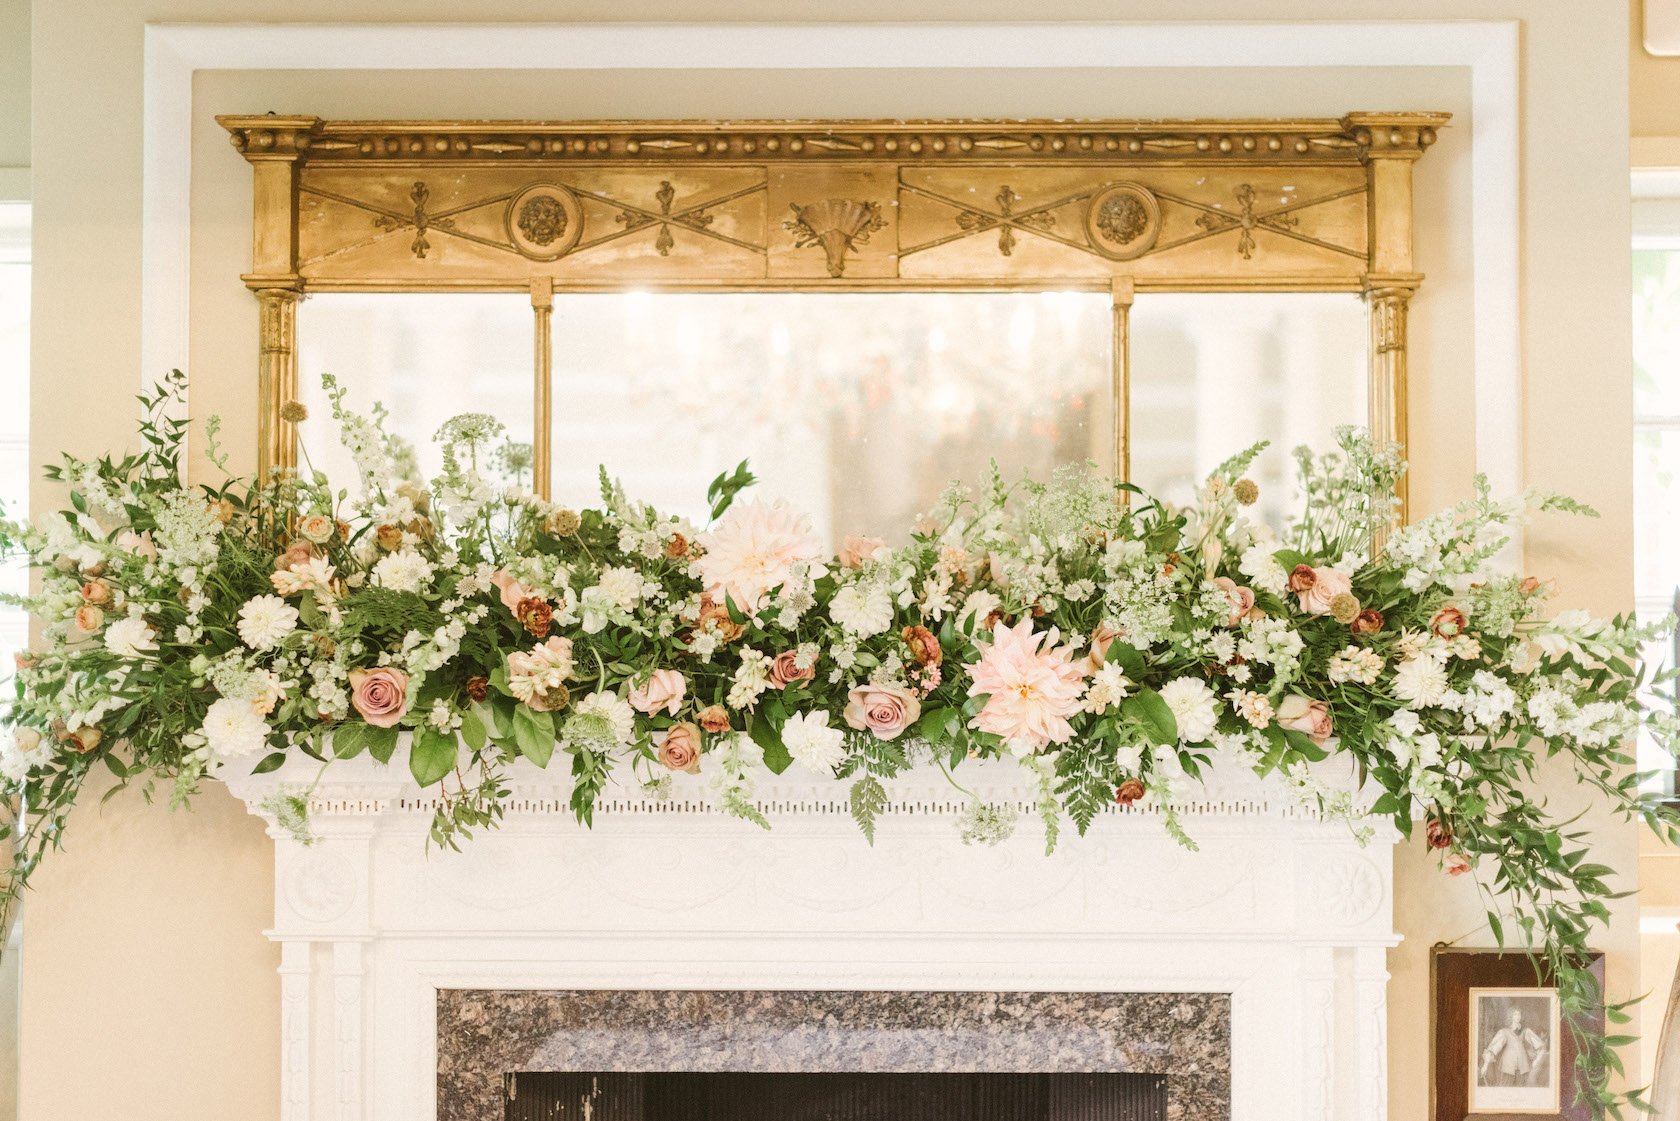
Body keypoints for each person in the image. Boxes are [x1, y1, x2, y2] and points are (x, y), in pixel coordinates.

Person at [1480, 1005, 1547, 1087]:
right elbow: (1493, 1049)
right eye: (1515, 1014)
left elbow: (1541, 1046)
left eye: (1519, 1014)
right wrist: (1485, 1065)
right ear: (1511, 1016)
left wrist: (1536, 1061)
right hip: (1507, 1068)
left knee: (1522, 1090)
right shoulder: (1504, 1032)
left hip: (1523, 1068)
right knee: (1506, 1090)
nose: (1518, 1016)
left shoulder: (1526, 1031)